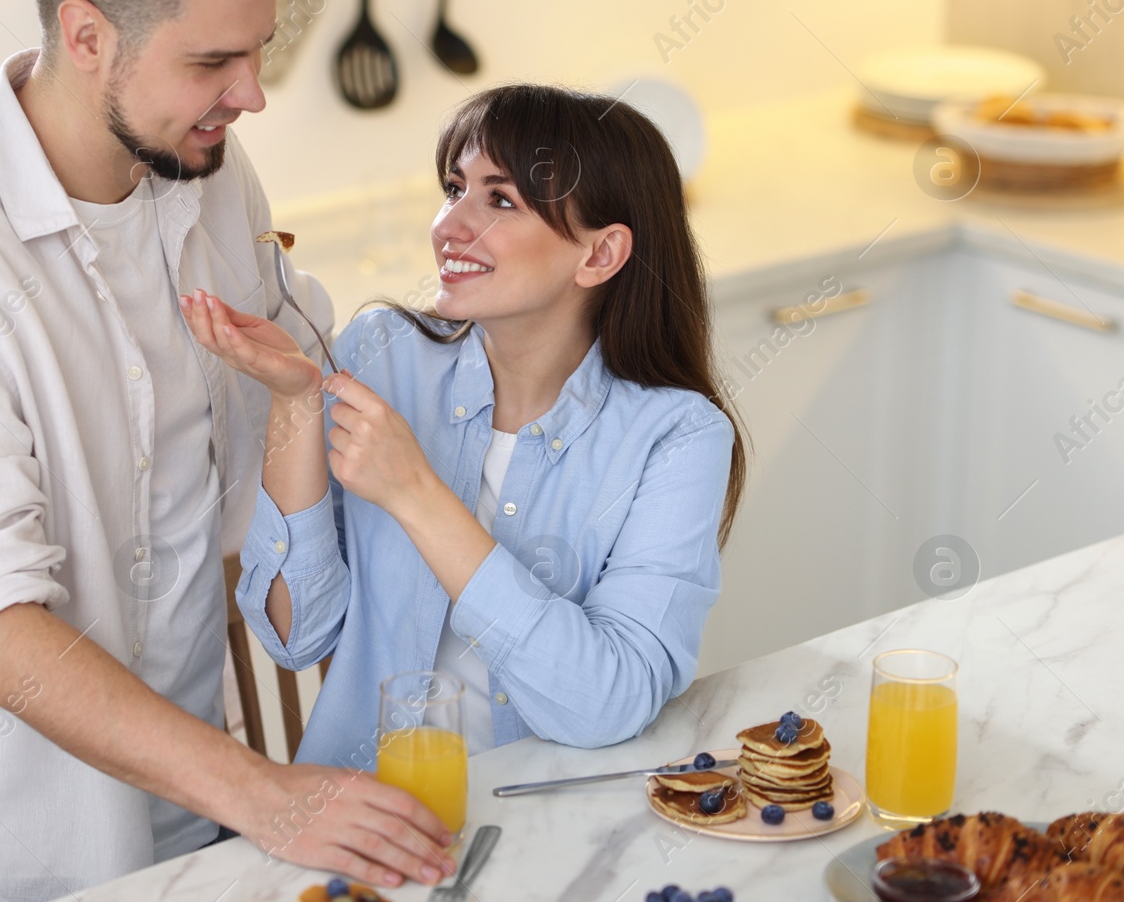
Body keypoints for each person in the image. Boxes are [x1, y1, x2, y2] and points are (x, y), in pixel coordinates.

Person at [0, 0, 457, 899]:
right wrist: (268, 792)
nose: (250, 94)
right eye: (213, 61)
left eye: (258, 49)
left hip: (195, 809)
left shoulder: (199, 167)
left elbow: (305, 381)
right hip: (17, 858)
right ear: (85, 34)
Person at [182, 83, 746, 769]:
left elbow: (607, 701)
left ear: (599, 255)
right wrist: (295, 405)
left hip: (548, 831)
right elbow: (294, 635)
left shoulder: (677, 437)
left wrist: (416, 493)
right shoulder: (380, 353)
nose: (448, 226)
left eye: (499, 200)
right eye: (454, 188)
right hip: (361, 813)